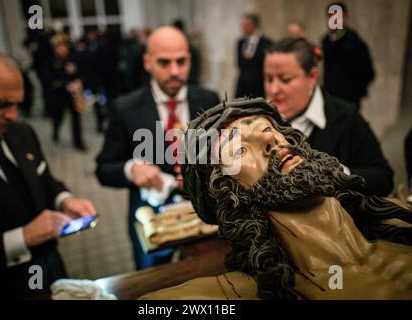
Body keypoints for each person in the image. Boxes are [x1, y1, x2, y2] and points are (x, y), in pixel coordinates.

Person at [143, 98, 411, 300]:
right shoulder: (241, 294)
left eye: (267, 128)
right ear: (228, 194)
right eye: (240, 150)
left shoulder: (399, 220)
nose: (270, 139)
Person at [0, 47, 96, 299]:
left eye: (17, 104)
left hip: (52, 269)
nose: (12, 115)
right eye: (1, 104)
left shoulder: (21, 133)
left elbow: (44, 181)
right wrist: (21, 238)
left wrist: (65, 200)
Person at [96, 26, 220, 270]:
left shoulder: (209, 99)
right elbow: (103, 168)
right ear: (147, 62)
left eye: (181, 62)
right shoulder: (125, 108)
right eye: (164, 62)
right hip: (153, 220)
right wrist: (131, 169)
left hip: (205, 218)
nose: (175, 71)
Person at [264, 37, 393, 196]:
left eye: (285, 79)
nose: (274, 89)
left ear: (312, 77)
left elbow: (383, 179)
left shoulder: (346, 117)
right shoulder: (257, 120)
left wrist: (336, 174)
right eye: (268, 79)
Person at [322, 2, 375, 108]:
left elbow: (367, 73)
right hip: (329, 97)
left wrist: (358, 90)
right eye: (330, 17)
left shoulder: (355, 43)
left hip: (349, 99)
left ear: (344, 18)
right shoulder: (326, 41)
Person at [46, 34, 87, 151]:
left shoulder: (73, 59)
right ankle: (55, 131)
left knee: (76, 118)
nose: (62, 49)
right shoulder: (51, 62)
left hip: (73, 95)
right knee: (58, 116)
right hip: (58, 95)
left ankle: (78, 142)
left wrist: (79, 83)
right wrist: (65, 86)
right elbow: (49, 80)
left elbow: (82, 73)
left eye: (64, 46)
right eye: (59, 47)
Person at [235, 13, 272, 99]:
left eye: (246, 25)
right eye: (242, 25)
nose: (243, 28)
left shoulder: (266, 43)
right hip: (242, 86)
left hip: (258, 86)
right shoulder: (240, 42)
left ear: (254, 25)